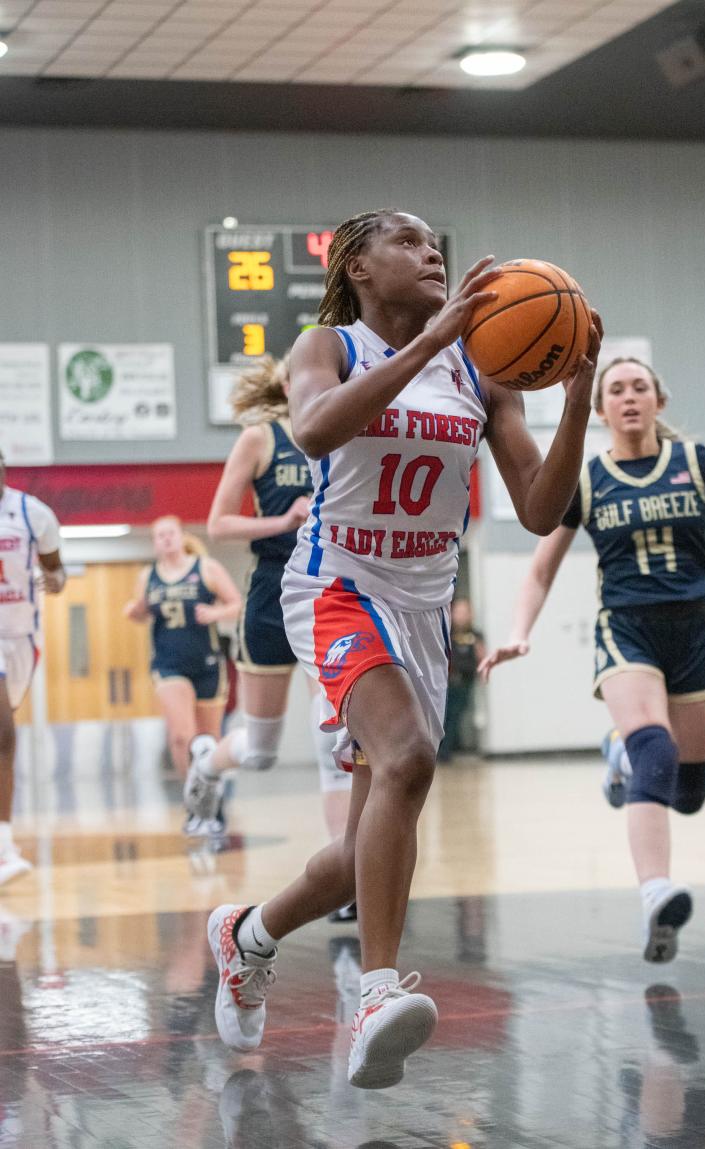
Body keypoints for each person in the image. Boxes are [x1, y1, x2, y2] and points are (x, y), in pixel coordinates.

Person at [203, 208, 602, 1089]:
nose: (433, 255)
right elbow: (311, 432)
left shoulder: (487, 368)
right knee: (410, 758)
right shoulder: (327, 347)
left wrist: (577, 398)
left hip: (424, 604)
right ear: (356, 267)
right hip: (338, 583)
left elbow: (539, 506)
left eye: (437, 244)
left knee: (360, 848)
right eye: (411, 244)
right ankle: (379, 992)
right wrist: (431, 342)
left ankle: (247, 934)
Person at [479, 357, 705, 964]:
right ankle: (656, 893)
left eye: (639, 387)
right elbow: (540, 567)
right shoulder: (588, 479)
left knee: (690, 792)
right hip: (627, 630)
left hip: (695, 629)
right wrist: (520, 633)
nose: (628, 397)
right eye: (615, 389)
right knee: (658, 751)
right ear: (599, 411)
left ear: (658, 401)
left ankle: (620, 754)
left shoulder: (697, 463)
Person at [182, 356, 354, 876]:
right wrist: (282, 518)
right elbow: (218, 524)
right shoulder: (262, 439)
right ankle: (208, 764)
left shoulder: (349, 430)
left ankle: (342, 878)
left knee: (334, 743)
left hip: (331, 591)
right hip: (272, 595)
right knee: (259, 751)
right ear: (288, 381)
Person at [124, 516, 240, 832]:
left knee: (209, 740)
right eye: (159, 535)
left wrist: (215, 612)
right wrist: (134, 610)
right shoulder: (148, 576)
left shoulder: (206, 568)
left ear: (180, 536)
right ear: (154, 542)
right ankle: (193, 806)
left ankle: (213, 806)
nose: (165, 539)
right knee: (181, 736)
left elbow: (236, 604)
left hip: (206, 662)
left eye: (170, 533)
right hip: (168, 664)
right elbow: (139, 612)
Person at [0, 448, 66, 884]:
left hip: (20, 637)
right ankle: (4, 846)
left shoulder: (32, 513)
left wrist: (54, 581)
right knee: (4, 734)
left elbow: (56, 574)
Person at [437, 597, 485, 761]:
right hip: (448, 681)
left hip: (465, 681)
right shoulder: (447, 633)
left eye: (465, 612)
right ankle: (442, 751)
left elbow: (481, 656)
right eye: (458, 612)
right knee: (444, 716)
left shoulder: (475, 635)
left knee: (456, 716)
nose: (461, 616)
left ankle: (446, 752)